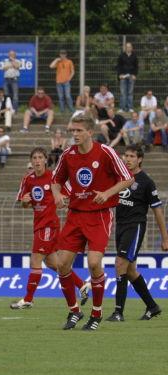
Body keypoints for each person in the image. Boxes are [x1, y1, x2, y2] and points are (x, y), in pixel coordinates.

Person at [51, 114, 134, 331]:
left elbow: (127, 178)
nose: (74, 135)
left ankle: (96, 314)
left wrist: (107, 193)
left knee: (94, 264)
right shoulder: (68, 155)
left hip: (99, 215)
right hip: (75, 214)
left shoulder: (106, 152)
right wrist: (58, 195)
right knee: (61, 264)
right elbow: (55, 182)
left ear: (90, 131)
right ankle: (74, 310)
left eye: (78, 131)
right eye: (72, 131)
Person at [12, 148, 89, 309]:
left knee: (35, 260)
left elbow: (69, 192)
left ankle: (28, 299)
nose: (37, 160)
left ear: (46, 160)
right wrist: (25, 201)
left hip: (48, 226)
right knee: (54, 264)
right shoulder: (28, 179)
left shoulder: (53, 177)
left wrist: (62, 199)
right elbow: (24, 203)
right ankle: (82, 284)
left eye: (40, 157)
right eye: (34, 158)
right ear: (31, 161)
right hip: (38, 224)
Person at [106, 145, 168, 322]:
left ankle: (118, 312)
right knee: (130, 270)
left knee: (120, 264)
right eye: (125, 155)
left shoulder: (146, 182)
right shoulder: (120, 177)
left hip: (135, 227)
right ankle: (152, 306)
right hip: (121, 226)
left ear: (139, 159)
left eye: (132, 156)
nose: (127, 159)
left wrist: (165, 238)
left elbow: (157, 210)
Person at [116, 42, 138, 113]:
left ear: (132, 48)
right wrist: (119, 75)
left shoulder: (134, 56)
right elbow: (119, 66)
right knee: (123, 92)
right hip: (123, 76)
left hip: (131, 76)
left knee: (130, 92)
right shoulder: (121, 56)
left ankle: (130, 108)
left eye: (129, 47)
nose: (128, 48)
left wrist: (135, 75)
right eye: (127, 47)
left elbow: (136, 67)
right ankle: (122, 108)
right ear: (125, 48)